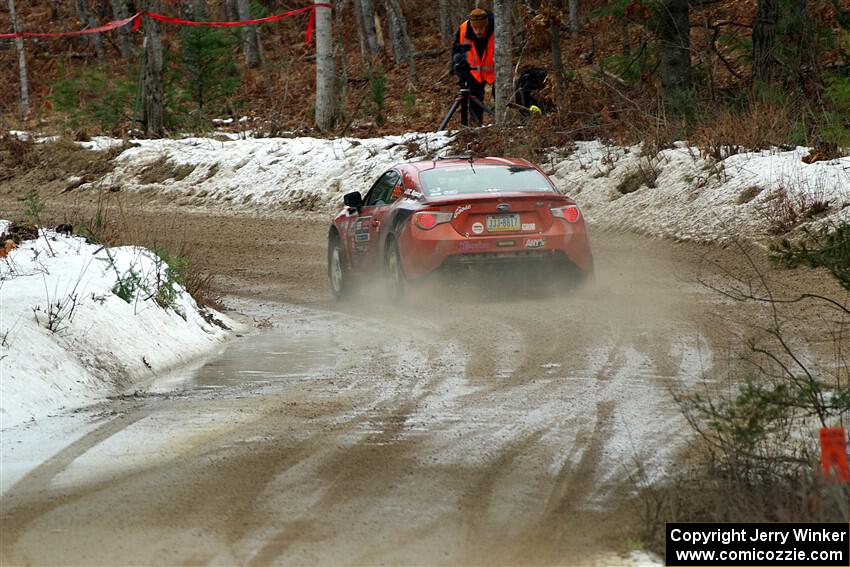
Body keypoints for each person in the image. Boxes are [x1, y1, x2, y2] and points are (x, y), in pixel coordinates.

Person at [451, 7, 494, 125]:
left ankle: (502, 125)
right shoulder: (464, 29)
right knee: (475, 102)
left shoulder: (497, 28)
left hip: (495, 72)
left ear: (486, 25)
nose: (478, 31)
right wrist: (457, 66)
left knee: (501, 100)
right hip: (473, 72)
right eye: (475, 28)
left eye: (481, 28)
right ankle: (476, 127)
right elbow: (456, 50)